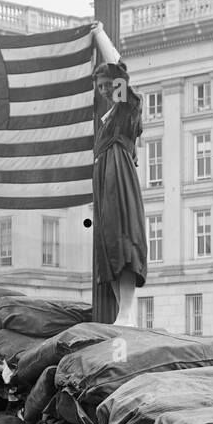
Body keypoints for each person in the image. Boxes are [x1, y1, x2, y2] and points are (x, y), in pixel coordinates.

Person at [89, 23, 149, 326]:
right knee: (109, 243)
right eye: (99, 87)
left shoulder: (126, 108)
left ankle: (127, 312)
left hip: (118, 178)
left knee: (123, 239)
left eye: (106, 85)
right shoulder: (107, 116)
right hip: (105, 182)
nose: (103, 91)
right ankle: (122, 312)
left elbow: (118, 66)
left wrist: (99, 34)